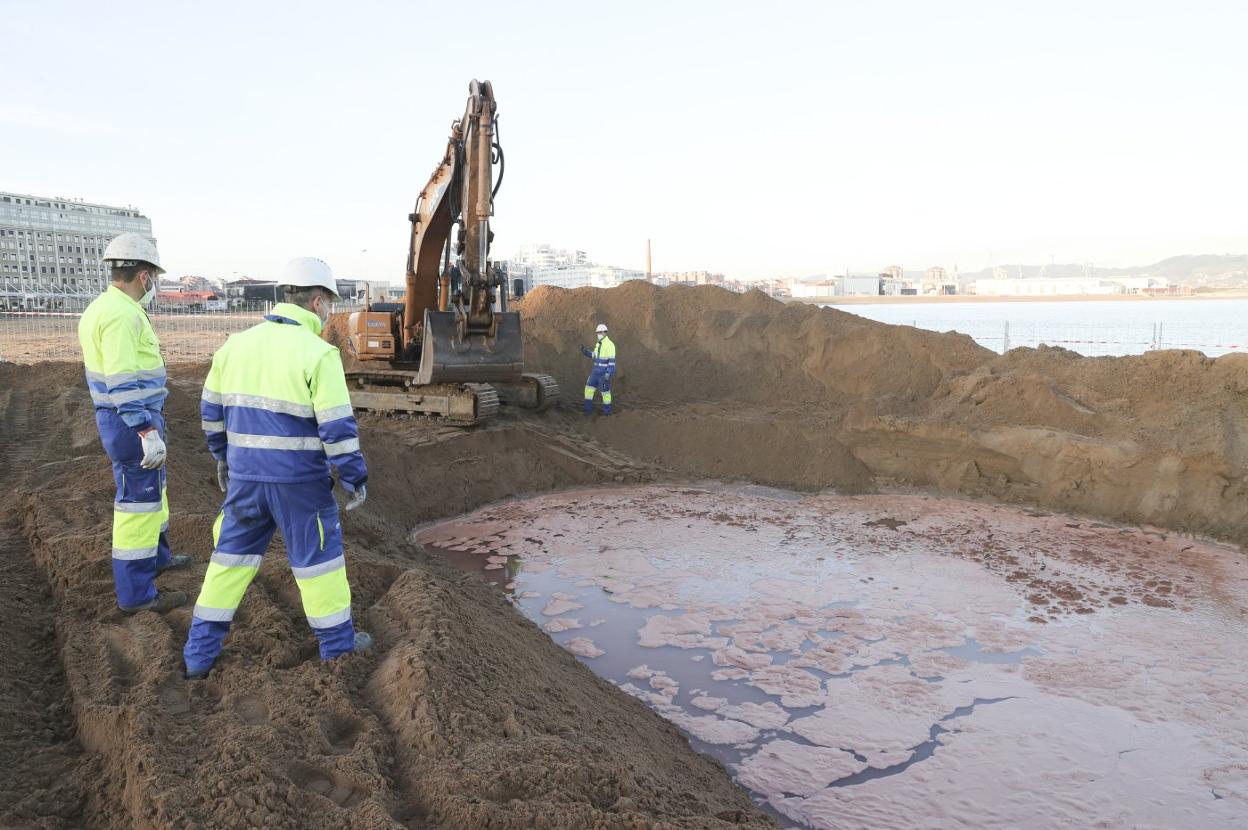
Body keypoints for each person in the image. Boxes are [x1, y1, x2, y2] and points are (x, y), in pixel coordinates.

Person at [183, 257, 372, 679]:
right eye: (329, 307)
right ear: (318, 302)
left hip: (246, 481)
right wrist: (354, 477)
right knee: (318, 566)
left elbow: (210, 412)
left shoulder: (235, 345)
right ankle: (338, 649)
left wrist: (222, 457)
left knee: (227, 565)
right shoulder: (319, 353)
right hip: (300, 484)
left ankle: (198, 656)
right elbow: (338, 429)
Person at [77, 233, 190, 614]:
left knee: (152, 493)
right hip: (130, 421)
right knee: (138, 504)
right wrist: (144, 428)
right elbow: (121, 378)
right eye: (153, 277)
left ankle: (157, 559)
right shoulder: (121, 315)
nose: (154, 284)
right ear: (144, 276)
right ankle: (137, 596)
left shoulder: (103, 308)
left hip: (129, 418)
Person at [579, 322, 617, 415]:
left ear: (605, 332)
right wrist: (585, 351)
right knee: (588, 389)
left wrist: (608, 373)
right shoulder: (598, 344)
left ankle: (607, 413)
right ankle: (587, 410)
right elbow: (594, 355)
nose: (598, 334)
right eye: (597, 333)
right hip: (595, 372)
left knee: (605, 393)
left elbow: (612, 361)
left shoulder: (610, 345)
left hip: (603, 374)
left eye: (600, 332)